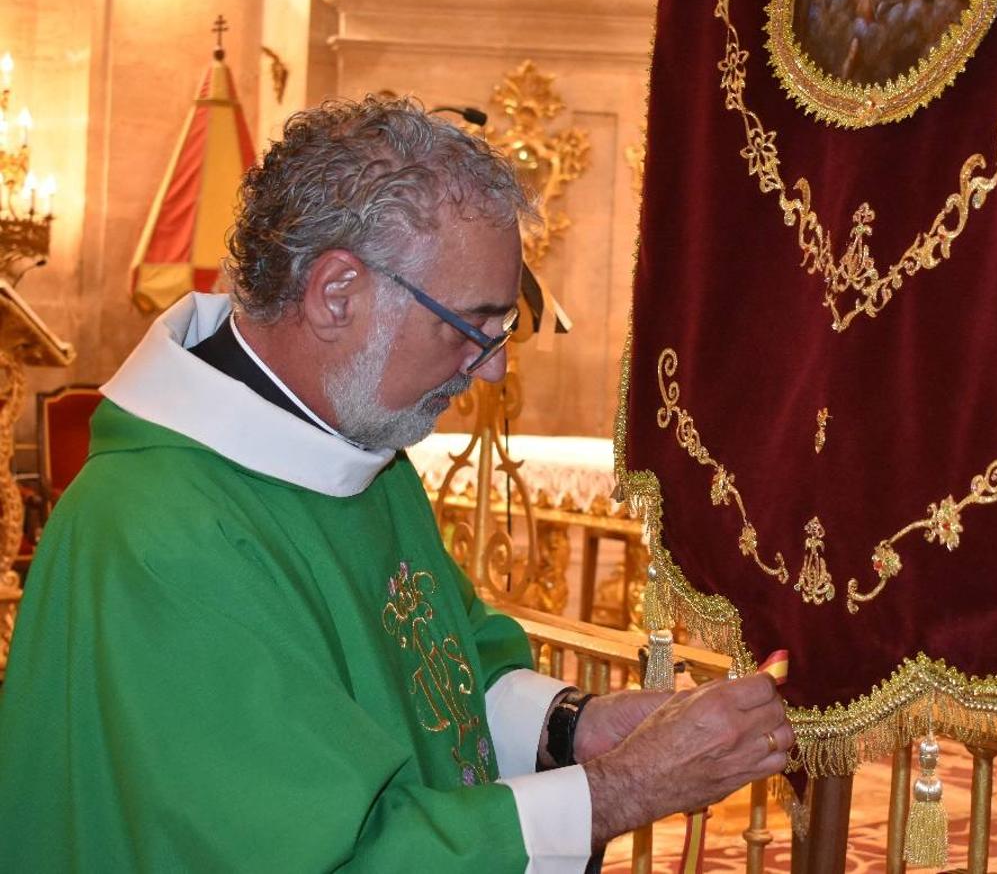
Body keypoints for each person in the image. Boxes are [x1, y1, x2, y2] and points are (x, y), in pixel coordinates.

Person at [0, 96, 793, 872]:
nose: (494, 367)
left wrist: (573, 729)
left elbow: (437, 672)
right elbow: (323, 853)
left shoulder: (352, 451)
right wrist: (618, 791)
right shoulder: (161, 533)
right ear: (337, 293)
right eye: (472, 328)